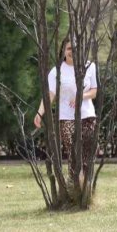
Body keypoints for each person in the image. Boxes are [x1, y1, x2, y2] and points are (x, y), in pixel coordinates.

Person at [34, 38, 98, 186]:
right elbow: (50, 95)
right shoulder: (56, 71)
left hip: (87, 115)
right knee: (74, 151)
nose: (72, 52)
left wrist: (81, 96)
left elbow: (94, 91)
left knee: (89, 151)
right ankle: (74, 185)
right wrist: (39, 112)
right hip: (66, 117)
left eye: (75, 49)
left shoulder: (90, 66)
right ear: (63, 50)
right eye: (69, 49)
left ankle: (86, 187)